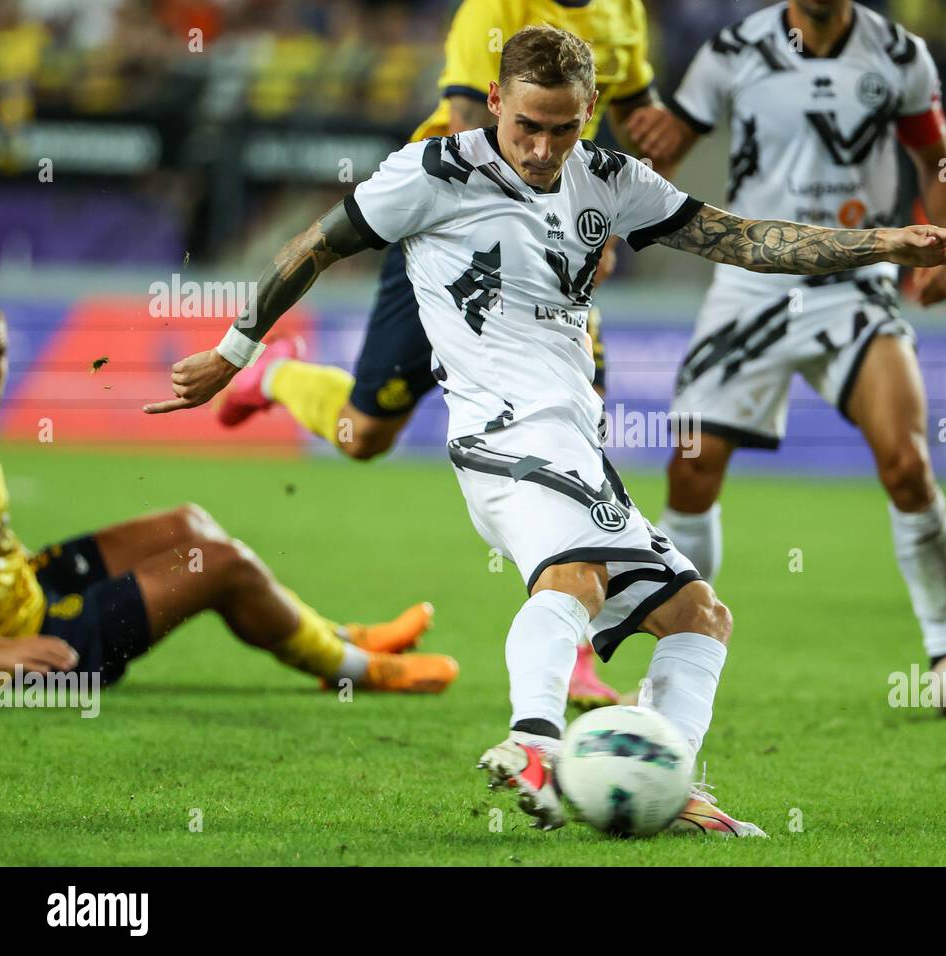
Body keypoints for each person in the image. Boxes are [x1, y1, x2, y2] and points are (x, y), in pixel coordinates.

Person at [145, 26, 946, 834]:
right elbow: (315, 247)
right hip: (503, 435)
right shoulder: (432, 171)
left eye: (562, 128)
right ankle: (534, 742)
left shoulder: (612, 179)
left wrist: (882, 243)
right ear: (495, 101)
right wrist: (230, 349)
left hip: (576, 437)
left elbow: (748, 240)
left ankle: (665, 779)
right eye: (525, 127)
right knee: (574, 575)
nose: (542, 149)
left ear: (589, 113)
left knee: (699, 616)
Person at [214, 0, 678, 711]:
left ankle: (575, 649)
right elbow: (469, 131)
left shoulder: (626, 14)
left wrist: (631, 173)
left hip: (549, 262)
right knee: (365, 435)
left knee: (580, 431)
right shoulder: (494, 11)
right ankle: (279, 376)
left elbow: (637, 111)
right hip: (445, 236)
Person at [629, 0, 946, 716]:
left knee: (905, 462)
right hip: (750, 281)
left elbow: (938, 162)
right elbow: (666, 147)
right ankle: (670, 669)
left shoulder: (899, 55)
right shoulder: (733, 49)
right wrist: (609, 215)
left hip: (855, 280)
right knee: (690, 466)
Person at [0, 308, 457, 694]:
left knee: (187, 524)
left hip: (29, 586)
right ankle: (355, 670)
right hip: (36, 640)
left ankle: (337, 637)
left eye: (0, 351)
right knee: (220, 565)